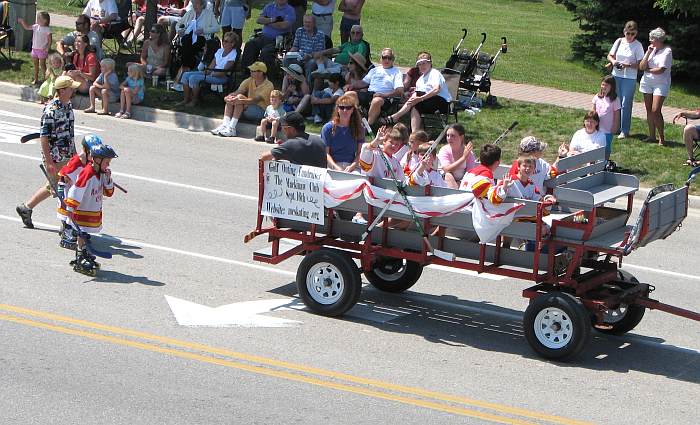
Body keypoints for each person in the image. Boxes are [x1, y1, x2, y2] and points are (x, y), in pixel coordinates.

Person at [16, 76, 81, 229]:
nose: (73, 90)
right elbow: (44, 137)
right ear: (63, 90)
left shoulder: (68, 105)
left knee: (57, 185)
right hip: (56, 156)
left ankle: (26, 208)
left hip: (67, 154)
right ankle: (66, 224)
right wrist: (49, 161)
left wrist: (76, 153)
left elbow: (69, 132)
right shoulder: (51, 110)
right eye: (71, 88)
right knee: (63, 186)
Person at [65, 144, 118, 276]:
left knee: (84, 235)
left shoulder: (101, 174)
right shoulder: (87, 173)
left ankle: (84, 254)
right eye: (107, 162)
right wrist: (70, 208)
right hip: (82, 213)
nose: (108, 165)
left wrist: (108, 178)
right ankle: (80, 256)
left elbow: (108, 192)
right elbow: (76, 190)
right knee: (81, 235)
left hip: (92, 211)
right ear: (97, 160)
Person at [56, 134, 103, 248]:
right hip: (71, 191)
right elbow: (63, 177)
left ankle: (80, 231)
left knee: (83, 209)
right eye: (93, 152)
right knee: (70, 212)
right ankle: (66, 230)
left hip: (82, 191)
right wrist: (61, 190)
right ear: (86, 150)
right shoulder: (76, 162)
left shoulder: (91, 161)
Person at [383, 52, 451, 130]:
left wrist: (420, 98)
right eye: (420, 64)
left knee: (417, 103)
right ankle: (412, 131)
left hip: (442, 102)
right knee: (415, 102)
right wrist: (411, 98)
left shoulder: (434, 73)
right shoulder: (420, 79)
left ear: (430, 63)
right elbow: (416, 95)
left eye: (424, 63)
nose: (422, 66)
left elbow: (436, 89)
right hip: (427, 101)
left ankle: (396, 118)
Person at [212, 61, 275, 137]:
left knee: (239, 98)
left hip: (261, 111)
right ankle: (225, 125)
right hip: (248, 107)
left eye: (253, 71)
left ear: (261, 73)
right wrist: (228, 97)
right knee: (234, 98)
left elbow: (255, 100)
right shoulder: (249, 80)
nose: (250, 72)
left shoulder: (269, 85)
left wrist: (240, 100)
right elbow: (238, 91)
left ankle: (231, 128)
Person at [178, 31, 240, 107]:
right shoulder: (220, 51)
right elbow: (212, 66)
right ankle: (186, 99)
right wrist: (207, 71)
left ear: (232, 44)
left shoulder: (233, 55)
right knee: (185, 75)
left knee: (193, 78)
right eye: (223, 40)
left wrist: (211, 74)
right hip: (212, 73)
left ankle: (194, 101)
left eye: (226, 41)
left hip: (221, 77)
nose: (223, 42)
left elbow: (223, 72)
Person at [346, 48, 403, 125]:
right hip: (370, 94)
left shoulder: (396, 72)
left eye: (389, 58)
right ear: (381, 58)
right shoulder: (375, 70)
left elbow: (399, 91)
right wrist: (352, 85)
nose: (386, 60)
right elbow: (363, 82)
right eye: (384, 57)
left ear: (393, 59)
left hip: (385, 98)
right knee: (349, 94)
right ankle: (359, 121)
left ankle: (367, 126)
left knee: (376, 101)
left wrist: (382, 95)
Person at [607, 20, 644, 140]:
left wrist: (628, 65)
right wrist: (614, 62)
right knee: (615, 102)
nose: (629, 36)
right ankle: (616, 127)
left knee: (626, 104)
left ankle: (625, 130)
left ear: (636, 33)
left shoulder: (637, 45)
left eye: (632, 34)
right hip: (616, 75)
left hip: (629, 77)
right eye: (628, 33)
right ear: (624, 32)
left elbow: (640, 64)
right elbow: (610, 55)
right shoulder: (619, 41)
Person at [174, 0, 220, 88]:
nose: (194, 6)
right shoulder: (190, 13)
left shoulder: (208, 14)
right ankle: (187, 68)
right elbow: (179, 24)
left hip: (202, 37)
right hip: (188, 38)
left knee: (187, 45)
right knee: (187, 41)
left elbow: (217, 28)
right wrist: (179, 31)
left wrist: (204, 30)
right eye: (193, 3)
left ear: (202, 5)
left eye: (197, 4)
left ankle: (184, 71)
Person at [639, 27, 672, 146]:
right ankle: (652, 136)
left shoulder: (667, 51)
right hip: (647, 82)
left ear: (659, 39)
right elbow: (641, 66)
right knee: (649, 110)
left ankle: (661, 137)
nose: (650, 41)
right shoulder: (651, 50)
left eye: (652, 39)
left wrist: (648, 69)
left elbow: (661, 70)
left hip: (661, 83)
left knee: (655, 110)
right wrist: (648, 53)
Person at [240, 0, 295, 70]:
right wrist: (273, 20)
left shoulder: (290, 10)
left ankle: (264, 73)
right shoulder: (269, 6)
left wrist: (266, 22)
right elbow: (259, 20)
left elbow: (283, 25)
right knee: (250, 44)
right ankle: (247, 70)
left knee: (266, 51)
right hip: (263, 36)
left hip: (278, 40)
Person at [260, 112, 327, 167]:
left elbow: (264, 157)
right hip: (319, 182)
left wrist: (280, 150)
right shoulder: (319, 140)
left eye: (283, 127)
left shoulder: (291, 144)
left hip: (301, 182)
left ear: (291, 129)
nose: (282, 130)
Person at [321, 93, 364, 172]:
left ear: (352, 110)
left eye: (348, 108)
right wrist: (336, 168)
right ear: (337, 109)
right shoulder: (327, 128)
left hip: (353, 166)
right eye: (341, 107)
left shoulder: (359, 128)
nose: (345, 110)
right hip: (333, 166)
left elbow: (360, 153)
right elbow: (326, 154)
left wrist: (352, 166)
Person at [18, 11, 52, 86]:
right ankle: (36, 79)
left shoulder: (47, 29)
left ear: (45, 20)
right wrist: (22, 21)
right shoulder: (36, 26)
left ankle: (46, 79)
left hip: (42, 50)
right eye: (37, 17)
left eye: (39, 18)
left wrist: (47, 48)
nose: (37, 19)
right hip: (34, 49)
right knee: (36, 65)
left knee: (42, 65)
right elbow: (27, 27)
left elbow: (50, 40)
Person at [438, 123, 476, 189]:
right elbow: (447, 169)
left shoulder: (469, 153)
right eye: (447, 135)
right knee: (448, 175)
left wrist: (461, 183)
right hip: (445, 182)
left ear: (461, 137)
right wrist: (463, 158)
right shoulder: (444, 150)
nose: (449, 138)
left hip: (462, 182)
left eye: (453, 136)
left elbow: (470, 173)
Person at [592, 75, 621, 159]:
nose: (604, 87)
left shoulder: (615, 100)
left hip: (607, 129)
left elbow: (616, 115)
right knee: (595, 146)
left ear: (612, 87)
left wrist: (615, 126)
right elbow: (593, 110)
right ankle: (594, 162)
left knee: (606, 147)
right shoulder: (597, 97)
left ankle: (605, 162)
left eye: (607, 85)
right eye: (603, 84)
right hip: (597, 127)